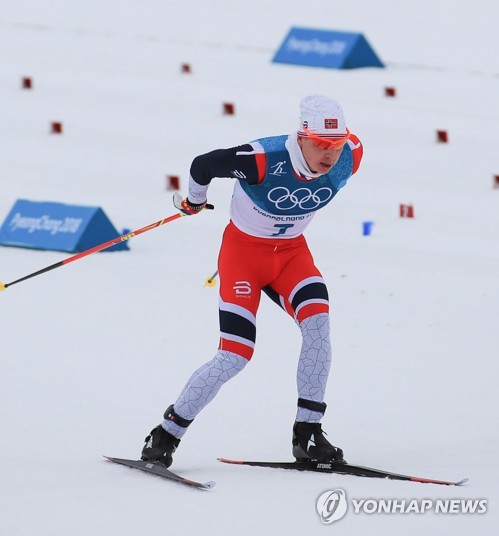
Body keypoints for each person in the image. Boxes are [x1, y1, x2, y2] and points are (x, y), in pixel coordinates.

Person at [141, 95, 363, 467]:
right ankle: (166, 433)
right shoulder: (264, 158)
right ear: (302, 137)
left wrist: (340, 148)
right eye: (322, 145)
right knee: (235, 354)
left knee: (318, 325)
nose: (330, 154)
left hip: (291, 255)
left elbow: (344, 150)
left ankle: (308, 433)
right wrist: (195, 201)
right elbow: (204, 164)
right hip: (244, 256)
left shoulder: (351, 155)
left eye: (336, 144)